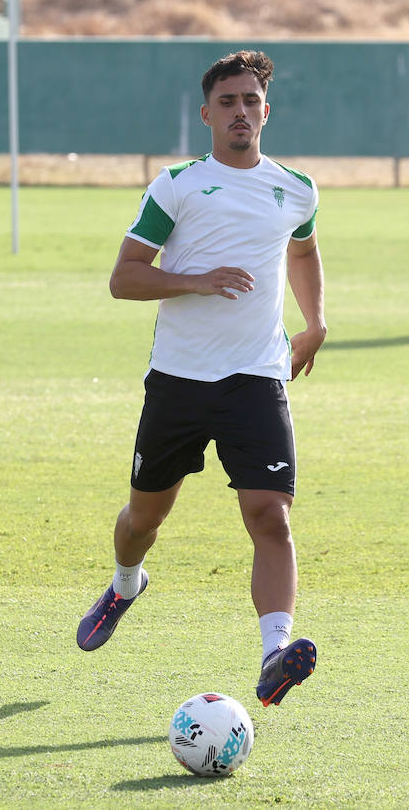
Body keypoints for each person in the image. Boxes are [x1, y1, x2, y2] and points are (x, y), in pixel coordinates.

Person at [75, 51, 327, 709]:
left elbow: (302, 247)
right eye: (228, 102)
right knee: (143, 518)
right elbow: (123, 276)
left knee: (270, 517)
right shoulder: (178, 186)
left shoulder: (295, 188)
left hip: (256, 380)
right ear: (207, 114)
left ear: (266, 112)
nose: (240, 111)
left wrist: (317, 320)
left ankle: (276, 653)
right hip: (180, 381)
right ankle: (126, 582)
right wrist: (195, 279)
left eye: (251, 100)